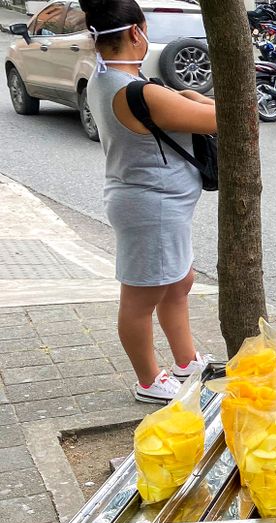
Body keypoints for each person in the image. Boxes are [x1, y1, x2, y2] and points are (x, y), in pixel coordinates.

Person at [82, 0, 217, 402]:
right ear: (137, 32)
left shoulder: (103, 79)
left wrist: (186, 95)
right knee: (141, 297)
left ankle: (186, 359)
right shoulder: (138, 92)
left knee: (178, 282)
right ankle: (149, 381)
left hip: (154, 202)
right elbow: (227, 117)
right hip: (151, 207)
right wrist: (194, 94)